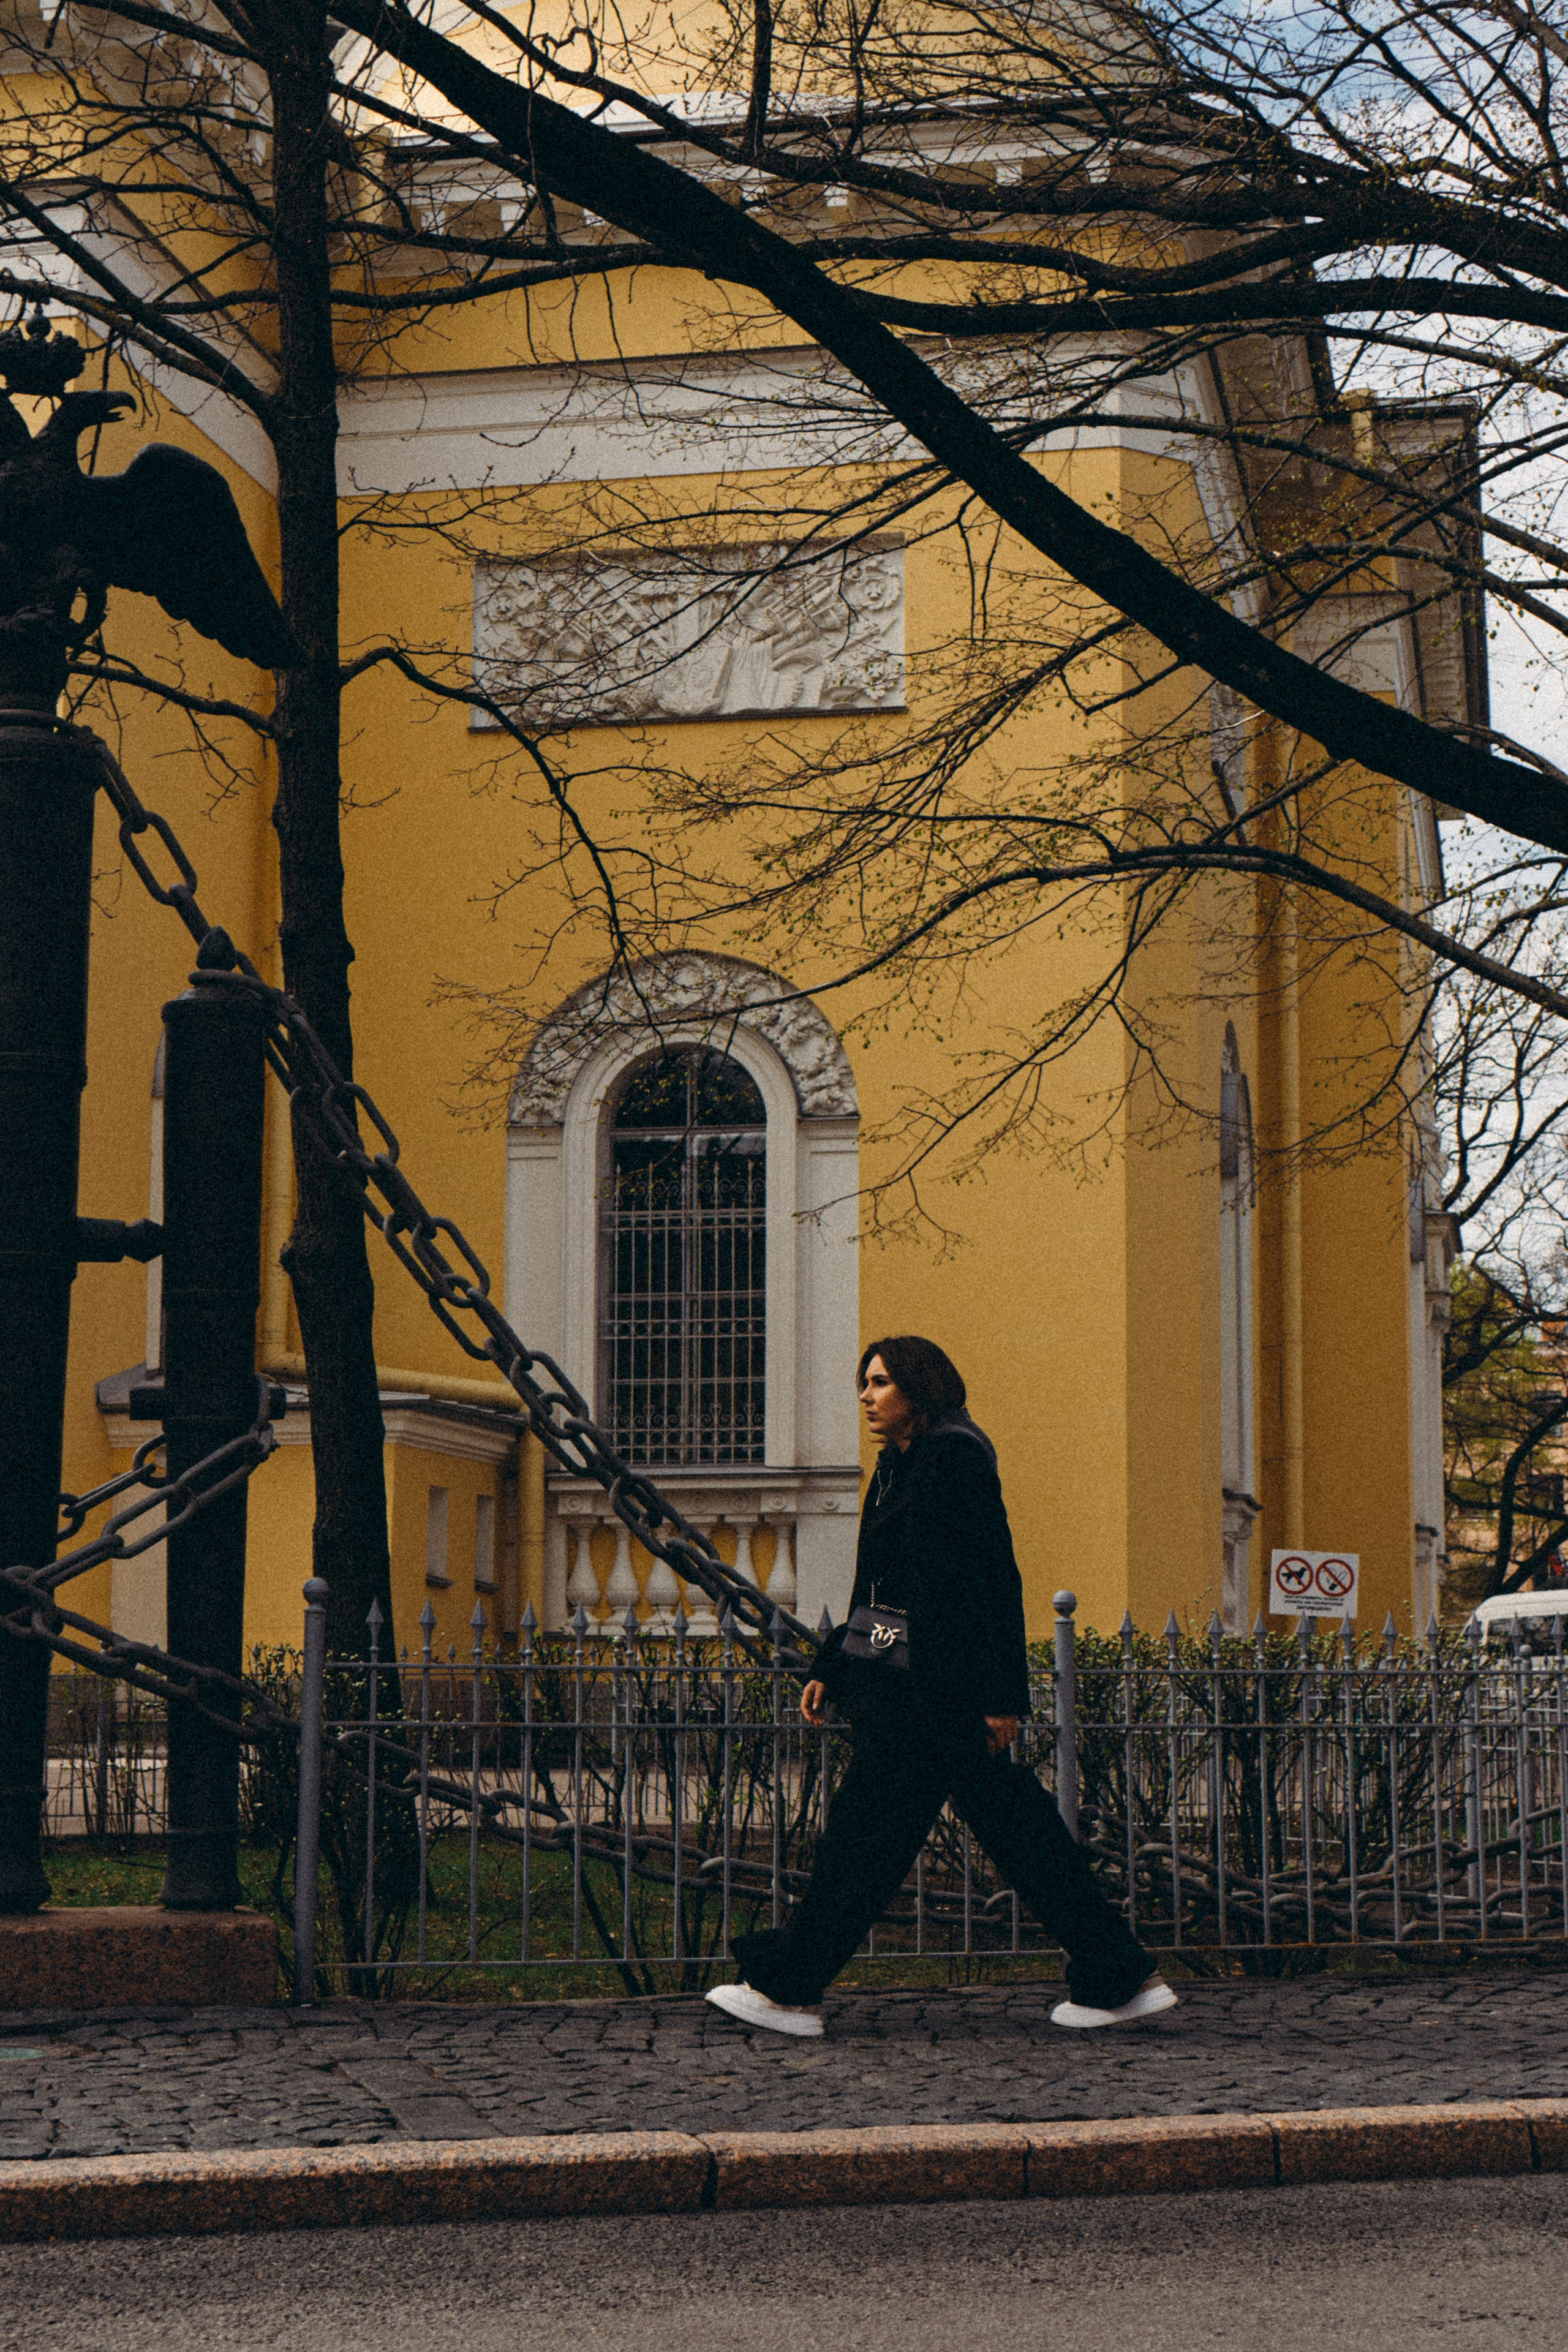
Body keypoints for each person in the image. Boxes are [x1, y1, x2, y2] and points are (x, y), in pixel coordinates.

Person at [706, 1335, 1177, 2040]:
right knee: (1013, 1833)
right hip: (913, 1690)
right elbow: (881, 1589)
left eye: (880, 1382)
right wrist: (834, 1663)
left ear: (919, 1387)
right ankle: (1117, 1973)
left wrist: (1001, 1699)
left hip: (936, 1695)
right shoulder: (900, 1463)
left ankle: (789, 1986)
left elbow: (993, 1580)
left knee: (865, 1841)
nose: (866, 1396)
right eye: (863, 1383)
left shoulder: (954, 1457)